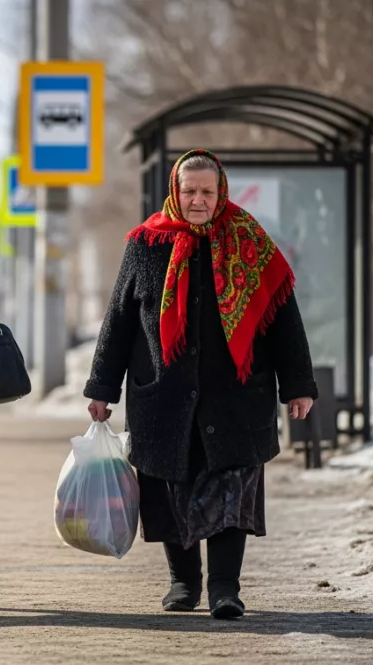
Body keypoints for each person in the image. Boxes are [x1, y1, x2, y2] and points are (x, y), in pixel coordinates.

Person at [84, 148, 317, 620]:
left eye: (206, 191)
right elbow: (120, 322)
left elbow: (283, 319)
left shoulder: (249, 240)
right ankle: (183, 582)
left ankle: (225, 589)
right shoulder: (146, 245)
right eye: (189, 191)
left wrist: (298, 384)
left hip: (236, 395)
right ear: (175, 191)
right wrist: (101, 388)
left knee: (232, 490)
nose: (197, 200)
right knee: (169, 489)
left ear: (221, 192)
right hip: (162, 397)